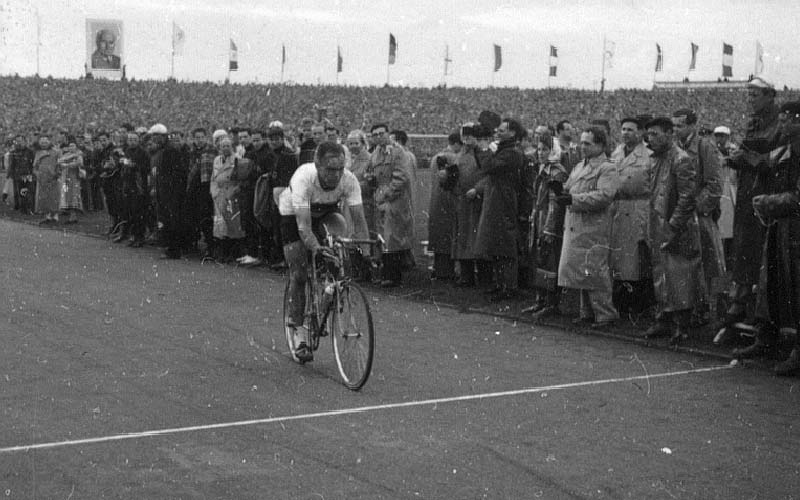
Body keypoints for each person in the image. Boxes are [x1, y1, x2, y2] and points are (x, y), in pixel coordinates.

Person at [279, 141, 370, 362]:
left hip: (327, 210)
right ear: (317, 165)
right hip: (294, 214)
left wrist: (365, 254)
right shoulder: (304, 178)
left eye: (340, 169)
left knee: (339, 247)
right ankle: (299, 333)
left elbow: (359, 221)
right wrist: (316, 249)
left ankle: (329, 291)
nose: (336, 175)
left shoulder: (348, 180)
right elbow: (303, 227)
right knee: (299, 274)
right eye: (330, 169)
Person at [735, 101, 800, 373]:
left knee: (796, 286)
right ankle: (767, 337)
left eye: (787, 119)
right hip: (780, 226)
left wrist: (770, 201)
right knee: (770, 282)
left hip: (793, 225)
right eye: (781, 119)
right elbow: (763, 162)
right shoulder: (785, 150)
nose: (782, 124)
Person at [724, 77, 781, 332]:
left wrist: (744, 157)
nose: (750, 99)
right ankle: (741, 299)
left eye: (755, 94)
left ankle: (759, 307)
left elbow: (773, 160)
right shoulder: (753, 123)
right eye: (748, 95)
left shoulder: (781, 124)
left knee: (761, 247)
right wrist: (736, 159)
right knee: (744, 243)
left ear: (770, 95)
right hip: (749, 191)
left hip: (768, 192)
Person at [641, 117, 702, 345]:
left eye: (655, 134)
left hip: (677, 227)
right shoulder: (656, 159)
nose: (651, 139)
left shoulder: (681, 159)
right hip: (658, 222)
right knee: (660, 273)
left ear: (669, 133)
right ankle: (663, 318)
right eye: (649, 135)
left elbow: (687, 197)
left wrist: (673, 226)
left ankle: (681, 324)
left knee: (680, 275)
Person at [556, 126, 620, 328]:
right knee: (581, 271)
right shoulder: (579, 166)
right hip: (577, 224)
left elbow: (604, 195)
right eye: (582, 142)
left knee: (595, 271)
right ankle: (587, 312)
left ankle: (605, 313)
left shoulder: (607, 168)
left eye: (588, 143)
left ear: (600, 145)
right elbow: (569, 186)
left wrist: (573, 199)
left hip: (594, 226)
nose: (582, 146)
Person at [672, 108, 725, 327]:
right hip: (679, 213)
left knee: (703, 264)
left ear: (693, 125)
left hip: (697, 215)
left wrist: (697, 209)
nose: (676, 130)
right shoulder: (675, 148)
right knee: (683, 264)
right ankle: (687, 309)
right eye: (674, 125)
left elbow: (715, 185)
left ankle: (702, 311)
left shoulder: (705, 146)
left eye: (681, 125)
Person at [471, 118, 525, 301]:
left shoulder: (512, 153)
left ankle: (509, 286)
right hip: (497, 200)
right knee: (496, 244)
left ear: (513, 133)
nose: (498, 132)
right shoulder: (505, 150)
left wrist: (485, 149)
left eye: (503, 130)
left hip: (504, 202)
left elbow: (488, 167)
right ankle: (501, 284)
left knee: (505, 246)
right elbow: (484, 165)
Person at [609, 117, 654, 315]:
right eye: (623, 129)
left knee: (638, 257)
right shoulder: (617, 152)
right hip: (619, 206)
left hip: (639, 206)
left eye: (630, 129)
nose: (626, 133)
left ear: (640, 132)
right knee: (620, 256)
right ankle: (622, 297)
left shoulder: (649, 154)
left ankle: (640, 300)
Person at [523, 133, 568, 319]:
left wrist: (549, 227)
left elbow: (555, 203)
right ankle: (539, 300)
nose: (540, 153)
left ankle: (551, 303)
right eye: (539, 149)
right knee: (539, 259)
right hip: (539, 218)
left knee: (550, 261)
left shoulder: (557, 172)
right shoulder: (543, 169)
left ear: (553, 150)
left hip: (550, 221)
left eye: (545, 149)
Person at [370, 123, 416, 287]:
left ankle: (393, 276)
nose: (378, 137)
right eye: (375, 135)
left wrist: (386, 194)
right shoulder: (375, 154)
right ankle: (387, 273)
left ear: (388, 134)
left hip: (394, 200)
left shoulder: (398, 152)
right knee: (383, 237)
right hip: (380, 199)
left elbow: (402, 178)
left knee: (392, 237)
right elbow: (373, 174)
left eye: (381, 133)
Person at [150, 123, 189, 259]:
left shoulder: (170, 151)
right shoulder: (162, 151)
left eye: (157, 136)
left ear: (163, 136)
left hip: (172, 192)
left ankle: (174, 249)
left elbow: (178, 173)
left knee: (173, 221)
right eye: (153, 136)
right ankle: (170, 248)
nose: (154, 139)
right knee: (166, 220)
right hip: (164, 191)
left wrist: (172, 190)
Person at [427, 132, 462, 280]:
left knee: (439, 237)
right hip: (448, 201)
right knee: (448, 236)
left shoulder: (436, 157)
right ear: (456, 144)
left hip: (436, 201)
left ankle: (439, 269)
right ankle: (447, 271)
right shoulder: (452, 157)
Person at [210, 137, 247, 262]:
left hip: (231, 194)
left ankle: (234, 253)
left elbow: (241, 179)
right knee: (220, 225)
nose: (225, 148)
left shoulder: (237, 159)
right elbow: (213, 178)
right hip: (219, 195)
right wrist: (214, 192)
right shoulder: (216, 160)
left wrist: (234, 191)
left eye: (227, 146)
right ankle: (222, 252)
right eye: (223, 146)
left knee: (232, 225)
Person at [713, 125, 737, 268]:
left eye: (722, 135)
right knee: (721, 227)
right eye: (717, 135)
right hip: (721, 190)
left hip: (731, 190)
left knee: (731, 226)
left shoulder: (734, 150)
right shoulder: (713, 151)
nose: (719, 138)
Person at [32, 134, 61, 224]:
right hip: (42, 178)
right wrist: (37, 174)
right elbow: (34, 167)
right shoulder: (38, 153)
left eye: (45, 141)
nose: (44, 143)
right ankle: (48, 215)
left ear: (49, 142)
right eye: (42, 142)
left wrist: (57, 174)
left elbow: (59, 164)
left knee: (54, 196)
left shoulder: (56, 152)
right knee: (44, 197)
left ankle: (55, 215)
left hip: (53, 177)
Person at [57, 138, 84, 225]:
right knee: (67, 196)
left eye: (73, 146)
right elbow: (59, 162)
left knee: (74, 196)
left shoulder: (79, 154)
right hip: (66, 178)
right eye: (70, 146)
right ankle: (70, 215)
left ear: (76, 146)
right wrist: (66, 162)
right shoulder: (67, 154)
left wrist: (67, 164)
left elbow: (79, 163)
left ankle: (73, 216)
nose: (71, 147)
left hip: (74, 178)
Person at [7, 134, 35, 214]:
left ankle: (29, 209)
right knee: (19, 192)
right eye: (17, 141)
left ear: (24, 141)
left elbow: (33, 163)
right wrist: (10, 174)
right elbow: (11, 164)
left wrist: (32, 173)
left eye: (20, 141)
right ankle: (21, 209)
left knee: (29, 192)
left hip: (28, 175)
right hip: (17, 175)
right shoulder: (13, 152)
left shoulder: (30, 151)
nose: (19, 143)